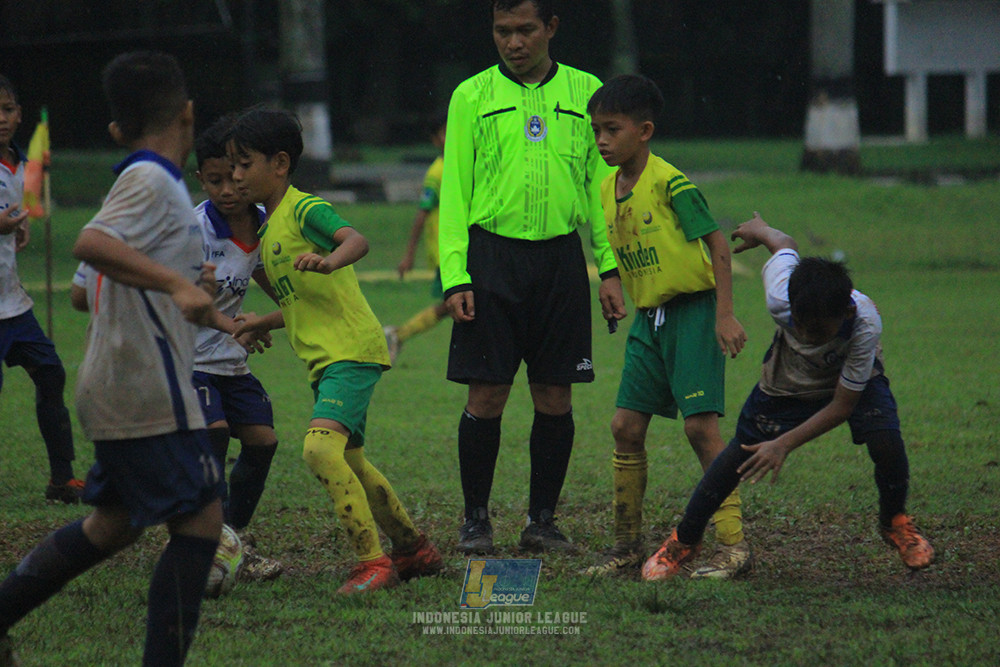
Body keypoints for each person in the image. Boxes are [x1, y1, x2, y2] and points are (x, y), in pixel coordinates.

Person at [0, 51, 225, 666]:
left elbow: (81, 293)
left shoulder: (143, 183)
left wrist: (185, 281)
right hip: (144, 383)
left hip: (118, 380)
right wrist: (175, 283)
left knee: (113, 525)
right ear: (187, 114)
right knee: (202, 521)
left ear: (116, 129)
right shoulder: (151, 178)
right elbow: (91, 244)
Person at [640, 213, 935, 581]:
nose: (807, 335)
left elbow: (842, 405)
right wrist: (760, 230)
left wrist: (783, 444)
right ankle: (685, 539)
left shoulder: (865, 323)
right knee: (738, 456)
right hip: (788, 378)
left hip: (849, 378)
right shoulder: (780, 296)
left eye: (818, 330)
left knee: (886, 439)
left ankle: (894, 521)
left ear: (845, 312)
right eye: (799, 324)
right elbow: (784, 245)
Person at [227, 107, 442, 595]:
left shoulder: (304, 209)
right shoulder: (268, 230)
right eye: (231, 165)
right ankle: (414, 549)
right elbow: (298, 303)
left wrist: (330, 261)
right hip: (326, 360)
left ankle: (373, 563)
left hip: (351, 351)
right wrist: (261, 321)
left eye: (244, 163)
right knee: (354, 461)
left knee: (319, 449)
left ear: (280, 163)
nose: (236, 175)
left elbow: (356, 240)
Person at [438, 0, 625, 555]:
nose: (513, 42)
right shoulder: (471, 95)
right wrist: (455, 275)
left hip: (561, 262)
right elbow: (455, 193)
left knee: (554, 392)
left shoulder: (587, 92)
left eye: (525, 30)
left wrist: (609, 269)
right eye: (502, 31)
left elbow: (601, 188)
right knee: (486, 392)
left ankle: (542, 522)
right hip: (490, 259)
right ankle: (476, 521)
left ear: (551, 28)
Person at [583, 74, 750, 579]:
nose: (602, 141)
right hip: (648, 320)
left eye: (612, 129)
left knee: (700, 429)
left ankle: (734, 546)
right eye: (596, 130)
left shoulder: (671, 183)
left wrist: (725, 314)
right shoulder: (607, 186)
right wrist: (615, 284)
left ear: (645, 131)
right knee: (625, 427)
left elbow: (717, 245)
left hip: (693, 313)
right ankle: (626, 545)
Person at [190, 116, 284, 581]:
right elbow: (190, 304)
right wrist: (236, 325)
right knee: (216, 433)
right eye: (215, 181)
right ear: (201, 179)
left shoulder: (264, 223)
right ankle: (211, 543)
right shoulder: (195, 230)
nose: (227, 190)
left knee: (263, 441)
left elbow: (267, 276)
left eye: (234, 177)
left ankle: (231, 537)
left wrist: (270, 317)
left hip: (230, 360)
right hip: (189, 359)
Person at [0, 73, 85, 504]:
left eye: (7, 109)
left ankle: (61, 479)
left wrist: (18, 228)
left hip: (12, 304)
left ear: (19, 115)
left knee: (50, 372)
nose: (1, 118)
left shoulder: (19, 163)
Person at [383, 111, 450, 363]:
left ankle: (399, 335)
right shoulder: (437, 173)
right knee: (458, 304)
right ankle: (399, 334)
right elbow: (422, 213)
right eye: (445, 132)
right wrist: (409, 255)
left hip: (463, 247)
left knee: (460, 304)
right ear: (435, 140)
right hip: (447, 251)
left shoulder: (462, 164)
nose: (451, 136)